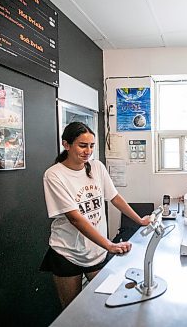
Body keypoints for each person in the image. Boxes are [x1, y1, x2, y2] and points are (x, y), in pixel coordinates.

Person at [40, 121, 151, 309]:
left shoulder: (97, 167)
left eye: (91, 146)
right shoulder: (54, 174)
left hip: (96, 251)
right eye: (82, 146)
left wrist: (140, 220)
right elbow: (74, 218)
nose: (88, 151)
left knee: (107, 303)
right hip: (67, 252)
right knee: (72, 310)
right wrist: (110, 245)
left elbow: (114, 197)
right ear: (66, 145)